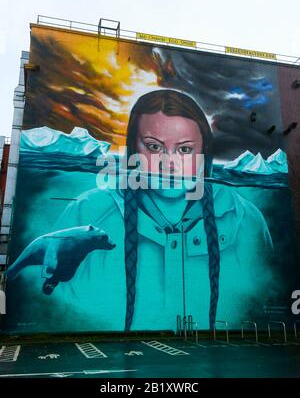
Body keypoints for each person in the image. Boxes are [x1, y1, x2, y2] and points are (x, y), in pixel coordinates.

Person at [6, 90, 275, 332]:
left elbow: (264, 297)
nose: (169, 164)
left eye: (184, 149)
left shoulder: (245, 220)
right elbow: (42, 306)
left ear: (204, 153)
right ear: (133, 148)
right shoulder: (87, 212)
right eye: (154, 146)